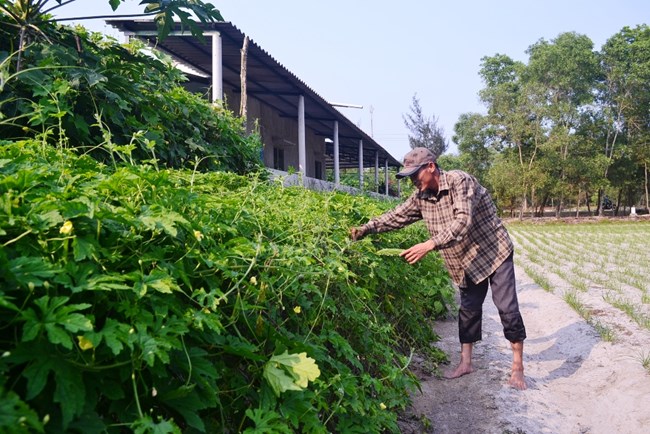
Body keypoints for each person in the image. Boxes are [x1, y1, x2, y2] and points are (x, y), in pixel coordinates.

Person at [350, 147, 527, 390]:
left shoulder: (460, 182)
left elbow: (463, 221)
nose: (413, 181)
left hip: (493, 252)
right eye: (409, 177)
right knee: (468, 311)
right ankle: (466, 363)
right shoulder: (420, 196)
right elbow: (397, 216)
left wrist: (429, 244)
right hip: (465, 260)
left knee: (507, 308)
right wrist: (366, 228)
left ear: (430, 167)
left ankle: (517, 366)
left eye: (415, 175)